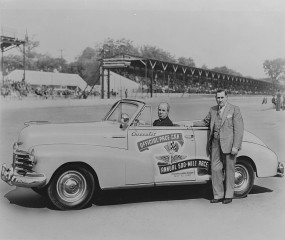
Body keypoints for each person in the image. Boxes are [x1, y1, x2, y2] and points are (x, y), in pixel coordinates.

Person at [192, 89, 244, 204]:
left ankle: (229, 195)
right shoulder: (213, 110)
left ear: (226, 97)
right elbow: (205, 122)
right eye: (218, 98)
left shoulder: (235, 109)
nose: (219, 100)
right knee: (215, 169)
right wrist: (191, 124)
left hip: (229, 145)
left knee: (229, 170)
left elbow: (239, 130)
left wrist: (236, 146)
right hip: (215, 143)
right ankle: (218, 195)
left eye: (221, 98)